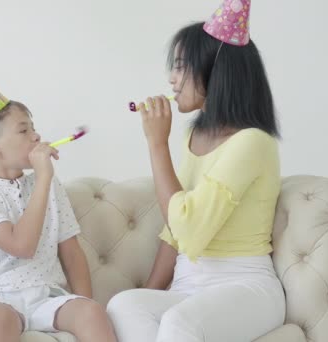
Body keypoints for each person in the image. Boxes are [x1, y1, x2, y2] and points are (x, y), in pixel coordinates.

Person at [107, 1, 285, 341]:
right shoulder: (194, 134)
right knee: (124, 305)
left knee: (179, 324)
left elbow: (189, 228)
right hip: (190, 290)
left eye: (179, 66)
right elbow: (173, 232)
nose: (171, 79)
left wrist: (156, 145)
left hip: (245, 287)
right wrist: (150, 293)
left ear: (213, 71)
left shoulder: (252, 142)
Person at [0, 55, 116, 342]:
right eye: (24, 130)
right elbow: (21, 246)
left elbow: (71, 251)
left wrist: (84, 303)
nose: (36, 135)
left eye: (33, 126)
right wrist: (43, 178)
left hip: (46, 294)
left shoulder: (50, 185)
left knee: (91, 313)